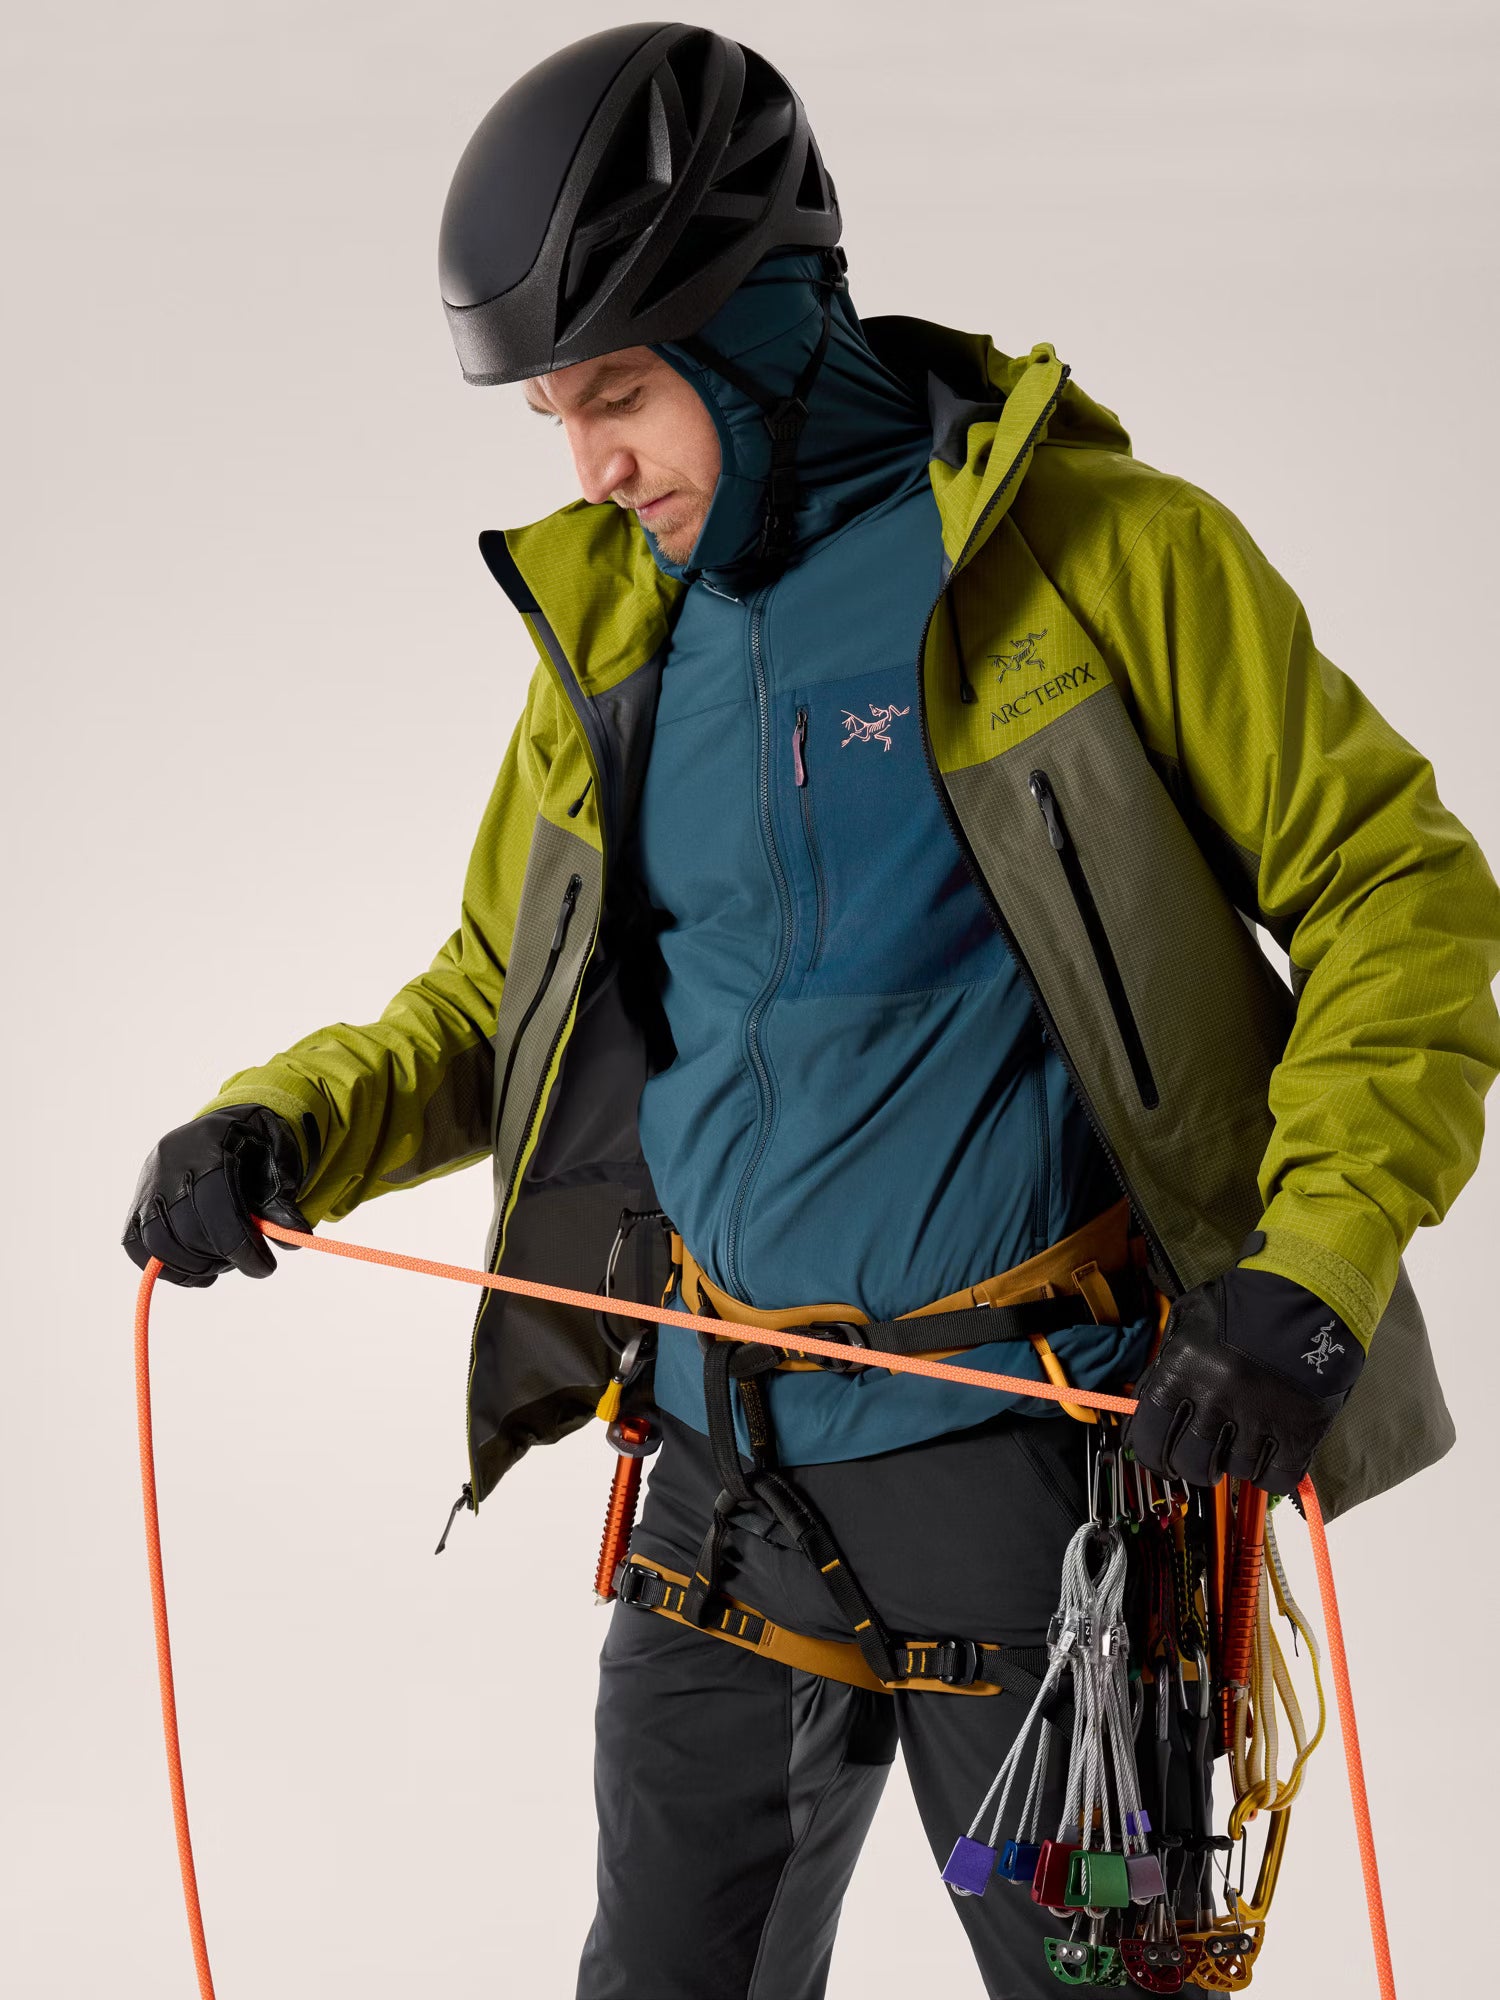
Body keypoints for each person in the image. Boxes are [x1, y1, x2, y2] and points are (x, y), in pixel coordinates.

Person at [123, 23, 1500, 1998]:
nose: (594, 468)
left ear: (762, 324)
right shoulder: (621, 631)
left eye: (621, 394)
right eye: (557, 416)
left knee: (1108, 1983)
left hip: (1051, 1494)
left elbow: (1399, 889)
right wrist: (286, 1124)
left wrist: (1314, 1270)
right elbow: (500, 992)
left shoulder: (1105, 561)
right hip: (720, 1479)